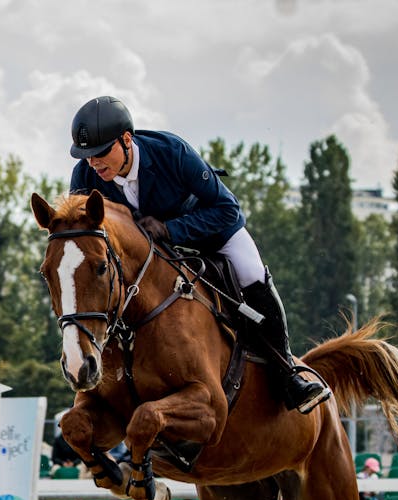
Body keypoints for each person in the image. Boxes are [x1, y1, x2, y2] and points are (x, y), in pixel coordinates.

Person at [67, 95, 330, 414]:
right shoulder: (84, 176)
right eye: (87, 156)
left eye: (100, 153)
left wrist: (171, 229)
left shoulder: (171, 152)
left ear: (126, 140)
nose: (93, 163)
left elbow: (227, 210)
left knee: (251, 272)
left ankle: (287, 372)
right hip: (151, 254)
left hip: (208, 230)